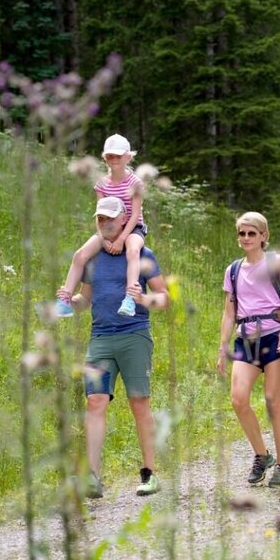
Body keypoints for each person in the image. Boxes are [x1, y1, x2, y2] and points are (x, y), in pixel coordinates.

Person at [61, 196, 169, 498]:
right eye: (100, 219)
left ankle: (149, 474)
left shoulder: (142, 253)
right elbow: (86, 299)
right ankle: (92, 477)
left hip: (134, 336)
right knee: (95, 401)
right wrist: (70, 301)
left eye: (110, 218)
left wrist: (142, 299)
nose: (105, 223)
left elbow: (164, 297)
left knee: (139, 402)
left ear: (124, 220)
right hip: (100, 338)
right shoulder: (92, 258)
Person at [216, 212, 280, 488]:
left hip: (275, 336)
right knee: (238, 399)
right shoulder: (233, 270)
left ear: (264, 236)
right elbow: (229, 313)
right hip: (246, 339)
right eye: (242, 233)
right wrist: (222, 348)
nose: (246, 238)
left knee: (273, 401)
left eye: (252, 233)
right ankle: (262, 455)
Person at [56, 134, 149, 318]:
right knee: (80, 255)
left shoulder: (135, 183)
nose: (114, 159)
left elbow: (135, 214)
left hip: (132, 228)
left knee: (132, 251)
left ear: (128, 157)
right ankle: (65, 299)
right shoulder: (102, 184)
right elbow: (99, 214)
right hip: (107, 229)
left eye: (118, 155)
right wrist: (102, 239)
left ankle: (130, 298)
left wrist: (121, 239)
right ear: (105, 157)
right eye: (110, 156)